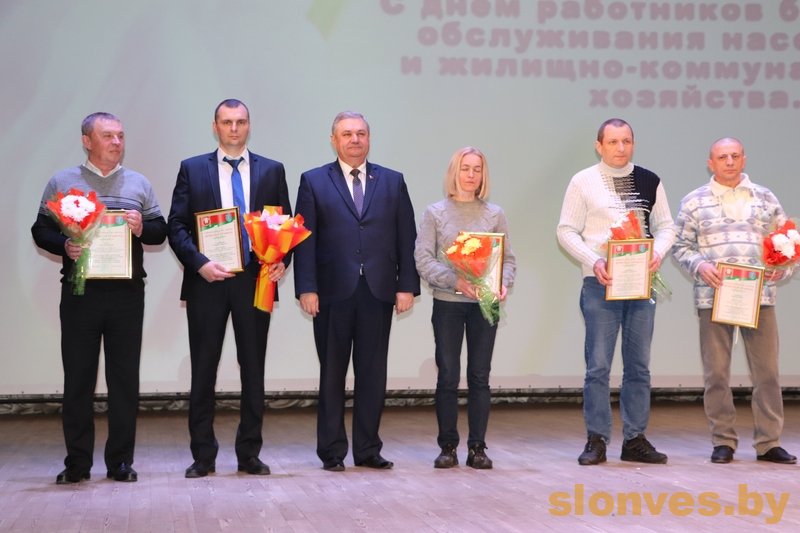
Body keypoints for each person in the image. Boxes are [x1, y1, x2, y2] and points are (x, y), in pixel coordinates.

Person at [31, 112, 167, 484]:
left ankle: (120, 461)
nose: (116, 142)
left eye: (120, 135)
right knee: (78, 379)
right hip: (80, 294)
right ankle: (77, 462)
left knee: (124, 381)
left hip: (126, 295)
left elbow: (160, 231)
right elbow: (40, 229)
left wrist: (143, 227)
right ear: (86, 141)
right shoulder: (62, 182)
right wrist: (64, 245)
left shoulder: (139, 183)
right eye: (107, 135)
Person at [168, 99, 292, 478]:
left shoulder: (272, 169)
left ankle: (249, 453)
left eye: (240, 122)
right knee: (203, 368)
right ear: (215, 126)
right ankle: (203, 455)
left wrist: (281, 260)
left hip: (255, 281)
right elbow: (176, 226)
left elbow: (284, 223)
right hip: (208, 281)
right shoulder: (192, 168)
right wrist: (200, 263)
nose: (234, 128)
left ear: (249, 125)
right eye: (227, 122)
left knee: (253, 368)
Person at [293, 111, 419, 472]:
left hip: (378, 292)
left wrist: (406, 286)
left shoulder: (392, 181)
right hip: (331, 293)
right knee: (332, 374)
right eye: (347, 134)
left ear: (369, 139)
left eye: (361, 133)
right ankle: (332, 451)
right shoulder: (313, 181)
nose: (355, 140)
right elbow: (304, 240)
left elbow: (406, 236)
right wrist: (306, 288)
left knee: (372, 375)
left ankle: (367, 449)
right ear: (333, 140)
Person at [556, 118, 676, 466]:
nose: (620, 148)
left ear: (633, 144)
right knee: (598, 366)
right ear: (599, 146)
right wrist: (593, 261)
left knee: (639, 366)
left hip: (641, 283)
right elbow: (565, 230)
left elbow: (667, 226)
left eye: (626, 141)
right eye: (613, 141)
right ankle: (597, 439)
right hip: (600, 283)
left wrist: (657, 252)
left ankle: (635, 439)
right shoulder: (583, 181)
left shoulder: (649, 180)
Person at [672, 137, 796, 465]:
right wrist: (700, 266)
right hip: (713, 296)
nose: (729, 162)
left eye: (735, 156)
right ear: (710, 163)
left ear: (744, 159)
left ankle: (769, 443)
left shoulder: (765, 197)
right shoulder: (694, 201)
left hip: (760, 297)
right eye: (722, 157)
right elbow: (680, 246)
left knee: (767, 373)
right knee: (716, 373)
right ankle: (723, 441)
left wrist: (781, 269)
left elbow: (786, 242)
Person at [414, 147, 516, 470]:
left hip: (484, 305)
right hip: (448, 305)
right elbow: (423, 259)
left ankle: (477, 448)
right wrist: (455, 281)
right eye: (465, 168)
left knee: (480, 376)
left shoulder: (495, 214)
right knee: (448, 376)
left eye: (477, 169)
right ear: (454, 172)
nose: (471, 175)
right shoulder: (435, 213)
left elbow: (508, 260)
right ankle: (448, 447)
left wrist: (502, 283)